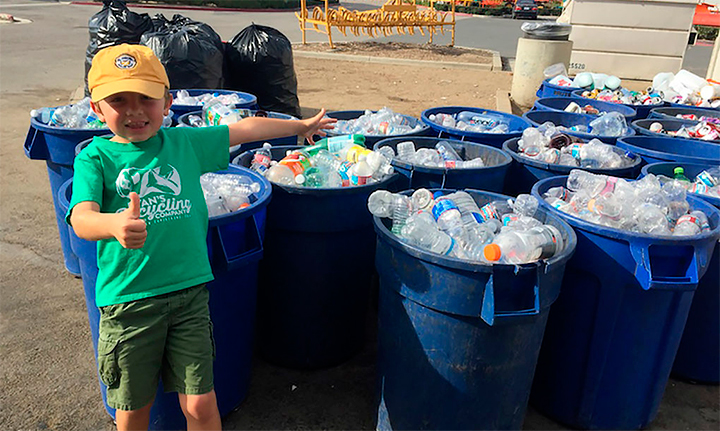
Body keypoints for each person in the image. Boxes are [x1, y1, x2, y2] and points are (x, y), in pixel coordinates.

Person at [66, 44, 335, 431]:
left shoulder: (183, 144)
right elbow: (81, 218)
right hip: (129, 305)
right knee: (132, 409)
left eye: (146, 97)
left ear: (168, 101)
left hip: (189, 297)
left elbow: (243, 129)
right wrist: (112, 225)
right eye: (118, 100)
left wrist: (300, 125)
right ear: (96, 108)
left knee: (200, 403)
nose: (135, 110)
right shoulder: (95, 158)